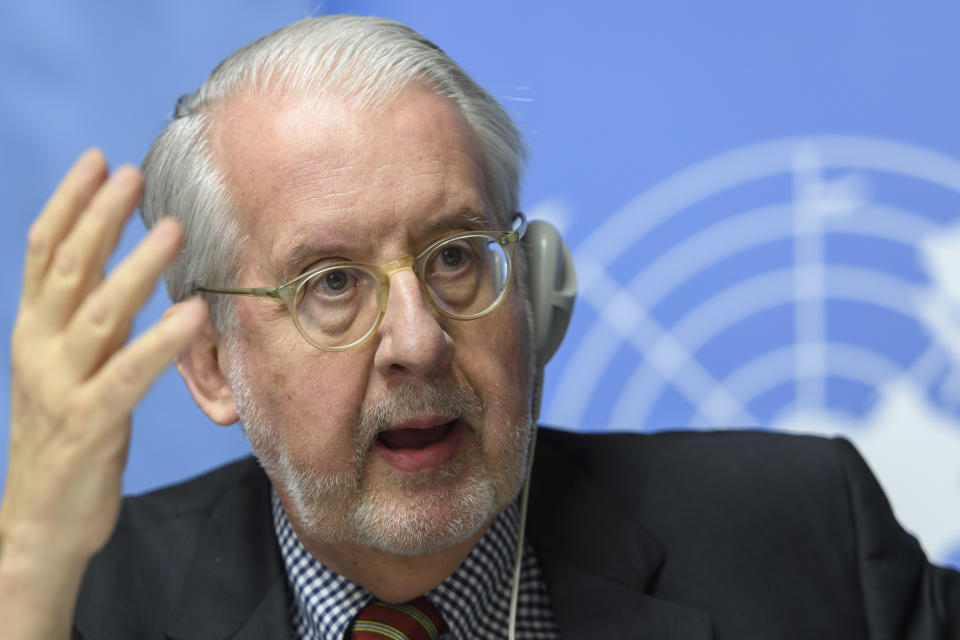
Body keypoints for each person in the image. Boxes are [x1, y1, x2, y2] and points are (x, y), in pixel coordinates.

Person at [0, 14, 957, 640]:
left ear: (537, 294)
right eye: (332, 283)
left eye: (456, 256)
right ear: (212, 365)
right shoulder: (77, 602)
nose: (417, 341)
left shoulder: (804, 534)